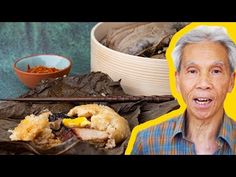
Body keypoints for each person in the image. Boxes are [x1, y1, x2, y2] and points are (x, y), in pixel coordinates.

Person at [131, 25, 236, 155]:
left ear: (232, 81)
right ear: (177, 80)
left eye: (216, 71)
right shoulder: (147, 142)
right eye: (192, 71)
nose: (203, 83)